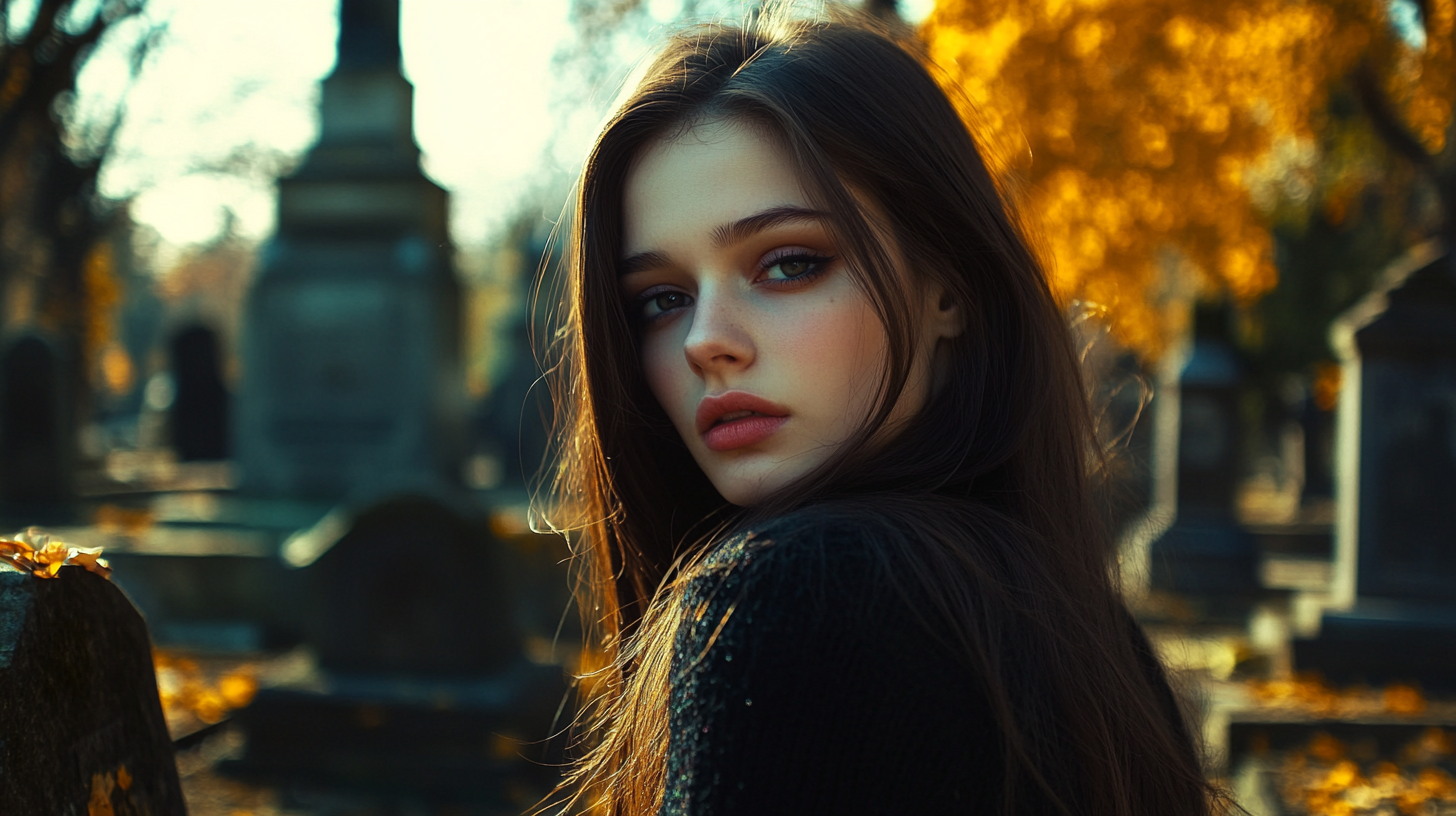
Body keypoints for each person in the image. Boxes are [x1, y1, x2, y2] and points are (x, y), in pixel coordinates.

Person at [541, 8, 1222, 815]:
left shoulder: (781, 605)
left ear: (949, 289)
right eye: (661, 299)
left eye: (790, 263)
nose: (705, 341)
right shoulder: (1099, 648)